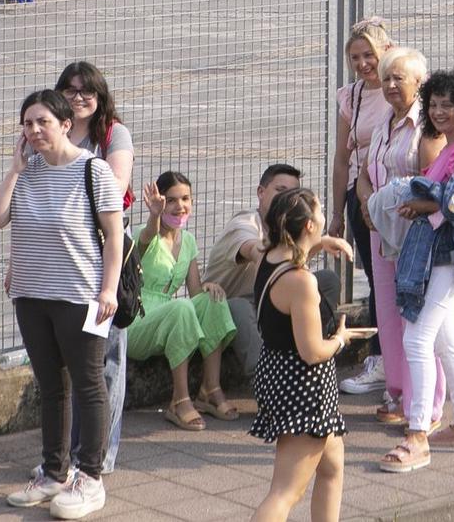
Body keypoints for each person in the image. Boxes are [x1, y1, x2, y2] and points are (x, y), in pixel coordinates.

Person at [0, 88, 124, 520]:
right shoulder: (27, 172)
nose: (35, 130)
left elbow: (114, 236)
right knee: (50, 387)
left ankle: (91, 477)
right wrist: (13, 170)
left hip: (80, 296)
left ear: (66, 125)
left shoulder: (93, 170)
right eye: (28, 123)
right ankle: (54, 472)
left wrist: (108, 290)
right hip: (30, 294)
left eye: (43, 121)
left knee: (87, 384)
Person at [380, 70, 454, 473]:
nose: (439, 111)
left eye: (448, 103)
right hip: (443, 252)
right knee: (447, 344)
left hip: (448, 254)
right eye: (434, 104)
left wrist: (429, 206)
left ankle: (417, 436)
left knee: (416, 339)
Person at [247, 187, 357, 522]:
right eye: (320, 211)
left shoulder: (268, 256)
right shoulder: (302, 282)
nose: (324, 214)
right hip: (304, 388)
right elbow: (312, 352)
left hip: (278, 375)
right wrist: (340, 338)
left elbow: (292, 252)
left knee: (332, 465)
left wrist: (323, 243)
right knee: (285, 492)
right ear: (308, 224)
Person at [59, 61, 134, 473]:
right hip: (62, 262)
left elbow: (114, 188)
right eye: (70, 90)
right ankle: (69, 454)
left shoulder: (113, 134)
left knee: (105, 363)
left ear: (100, 95)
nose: (79, 97)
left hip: (104, 260)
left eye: (87, 90)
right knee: (69, 365)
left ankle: (100, 456)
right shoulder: (53, 130)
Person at [355, 46, 431, 425]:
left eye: (398, 77)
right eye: (386, 77)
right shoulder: (385, 119)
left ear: (419, 82)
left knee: (412, 313)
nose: (390, 84)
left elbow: (432, 181)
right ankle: (396, 391)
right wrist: (368, 202)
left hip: (413, 231)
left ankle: (423, 400)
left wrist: (396, 205)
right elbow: (366, 170)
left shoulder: (426, 126)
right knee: (385, 310)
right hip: (379, 228)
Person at [128, 172, 239, 430]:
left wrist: (208, 287)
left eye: (185, 198)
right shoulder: (144, 235)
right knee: (181, 307)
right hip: (137, 321)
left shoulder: (188, 241)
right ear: (160, 202)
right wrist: (154, 215)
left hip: (168, 315)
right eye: (171, 200)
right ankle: (179, 401)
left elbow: (195, 292)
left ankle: (210, 390)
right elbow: (145, 241)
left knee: (214, 300)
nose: (180, 206)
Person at [331, 20, 393, 394]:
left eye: (369, 54)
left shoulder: (402, 85)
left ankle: (397, 359)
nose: (363, 63)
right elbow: (341, 159)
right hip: (362, 198)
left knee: (404, 280)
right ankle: (383, 358)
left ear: (385, 50)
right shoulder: (350, 97)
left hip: (397, 195)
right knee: (377, 280)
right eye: (355, 57)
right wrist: (338, 212)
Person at [206, 162, 306, 378]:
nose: (286, 200)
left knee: (325, 281)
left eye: (293, 195)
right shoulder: (244, 223)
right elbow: (256, 251)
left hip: (265, 305)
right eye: (280, 191)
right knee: (238, 306)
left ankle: (304, 357)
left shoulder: (290, 229)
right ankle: (268, 381)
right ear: (261, 192)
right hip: (224, 309)